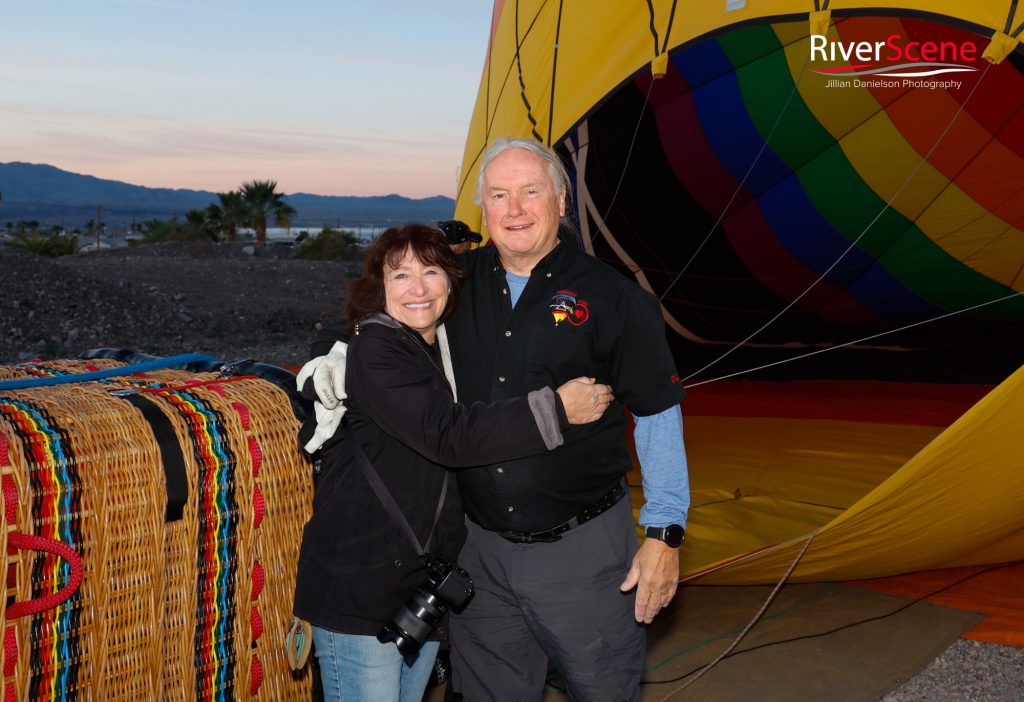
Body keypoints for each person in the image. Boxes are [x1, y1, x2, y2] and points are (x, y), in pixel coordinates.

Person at [304, 138, 690, 701]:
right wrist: (335, 351)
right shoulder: (455, 282)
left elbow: (657, 411)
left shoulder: (614, 297)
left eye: (530, 192)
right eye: (499, 195)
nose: (515, 209)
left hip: (580, 551)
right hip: (476, 555)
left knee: (605, 688)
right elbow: (390, 305)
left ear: (560, 200)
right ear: (483, 208)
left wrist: (664, 534)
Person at [291, 223, 614, 702]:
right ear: (379, 288)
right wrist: (557, 410)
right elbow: (449, 435)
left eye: (431, 272)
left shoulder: (437, 342)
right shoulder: (379, 349)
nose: (418, 288)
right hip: (360, 580)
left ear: (450, 280)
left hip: (418, 582)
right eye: (400, 276)